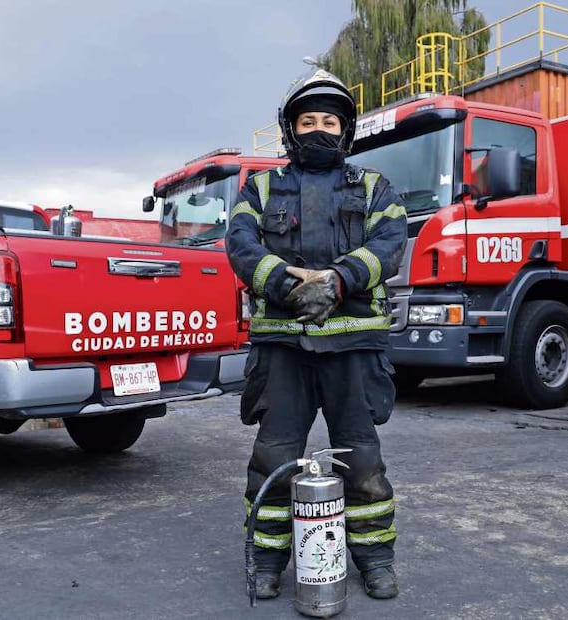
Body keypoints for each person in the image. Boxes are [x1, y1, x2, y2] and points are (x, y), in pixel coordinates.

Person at [226, 68, 407, 600]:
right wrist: (287, 285)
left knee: (362, 461)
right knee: (272, 460)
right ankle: (266, 563)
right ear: (290, 130)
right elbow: (241, 246)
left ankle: (375, 560)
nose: (319, 129)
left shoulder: (374, 186)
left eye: (330, 120)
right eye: (308, 121)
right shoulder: (258, 188)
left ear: (346, 130)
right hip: (282, 349)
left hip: (354, 350)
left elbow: (391, 242)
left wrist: (336, 281)